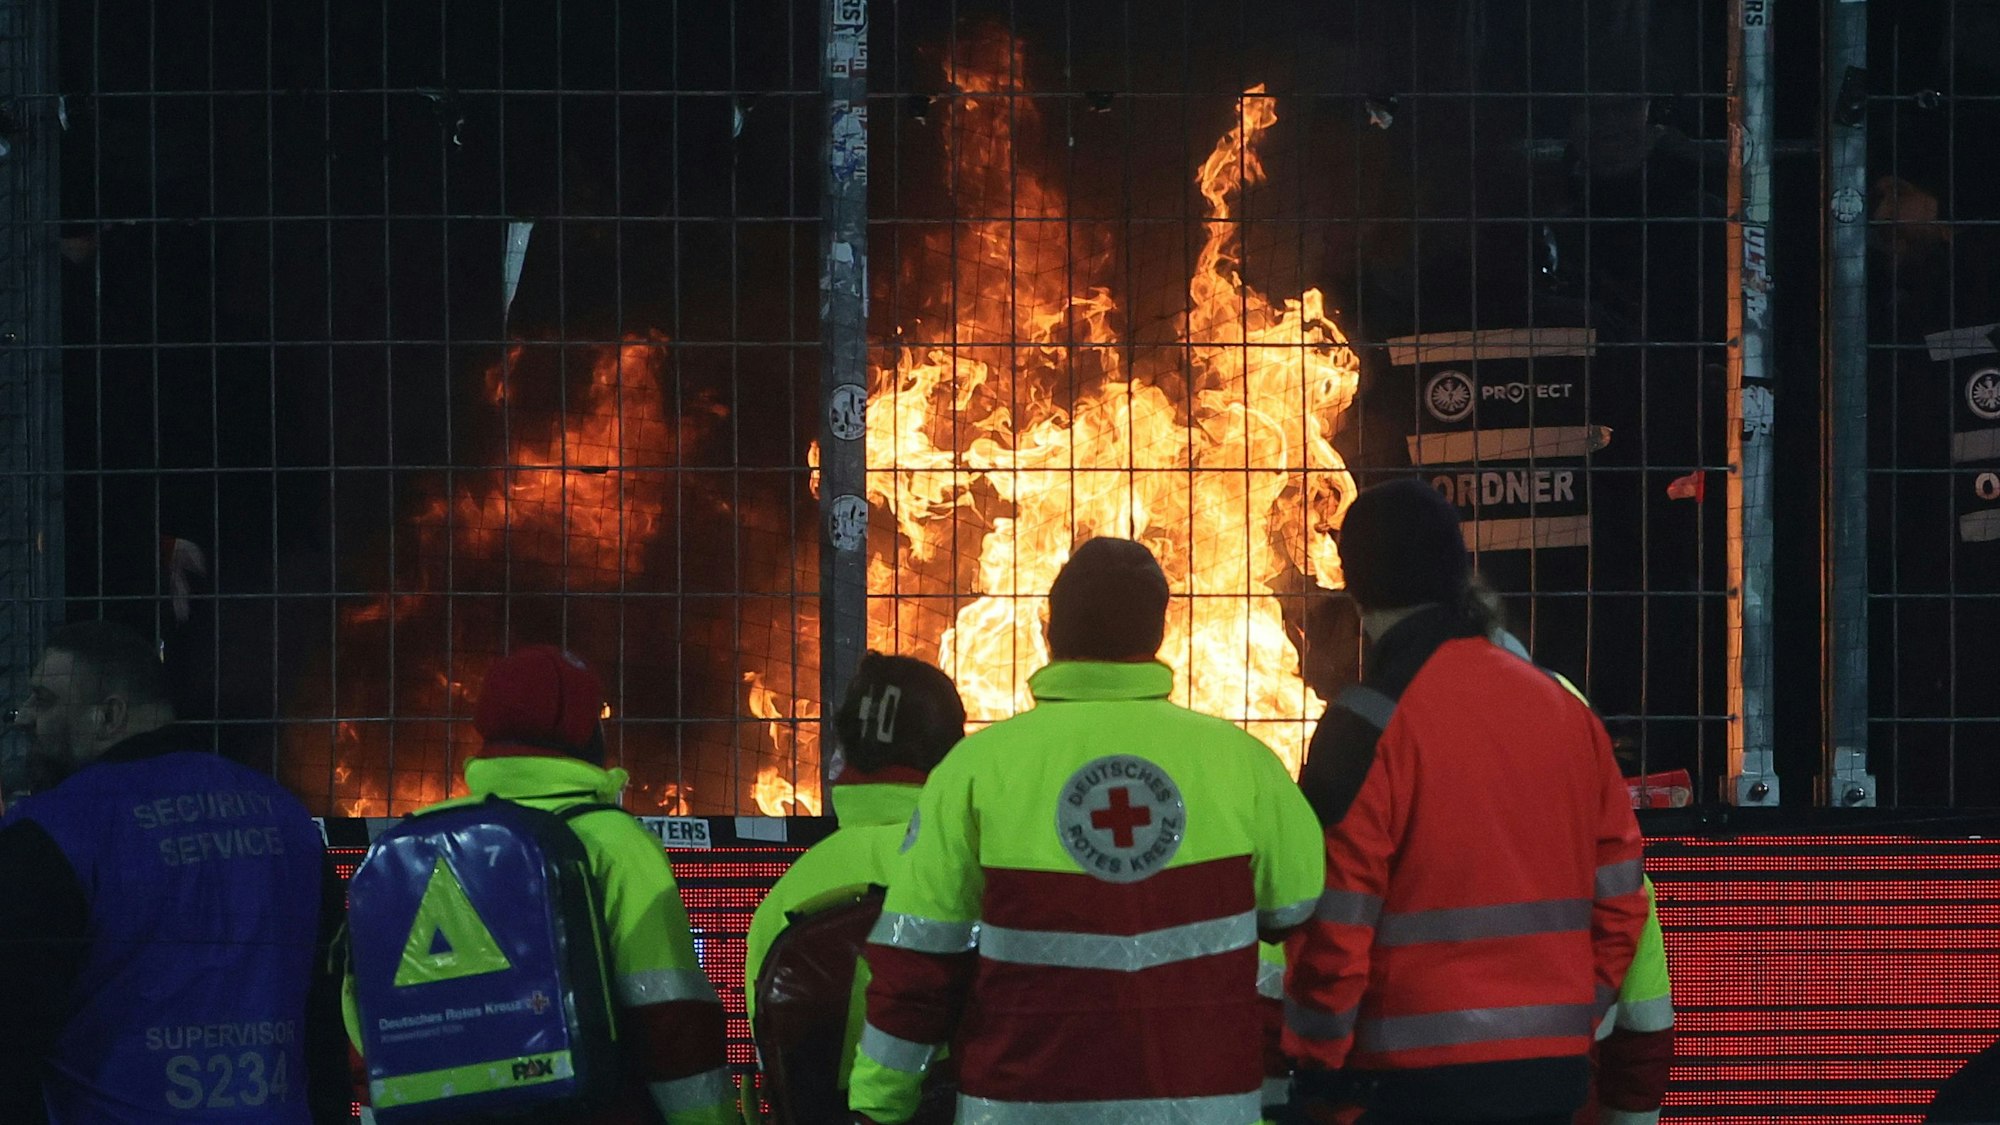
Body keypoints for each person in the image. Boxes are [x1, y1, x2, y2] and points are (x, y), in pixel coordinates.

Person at [849, 536, 1326, 1125]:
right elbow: (1305, 930)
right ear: (1159, 635)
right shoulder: (1246, 765)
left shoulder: (975, 770)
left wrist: (876, 1110)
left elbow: (917, 968)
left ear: (1049, 633)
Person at [1284, 479, 1648, 1125]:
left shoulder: (1367, 721)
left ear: (1353, 580)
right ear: (1458, 572)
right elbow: (1622, 894)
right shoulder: (1564, 710)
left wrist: (1315, 1063)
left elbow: (1336, 919)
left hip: (1407, 1088)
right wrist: (1574, 1013)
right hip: (1551, 1077)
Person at [341, 645, 734, 1124]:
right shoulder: (614, 841)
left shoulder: (406, 844)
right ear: (586, 731)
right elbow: (672, 1021)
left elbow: (363, 1023)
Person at [0, 619, 341, 1123]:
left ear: (108, 715)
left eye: (44, 700)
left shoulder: (54, 834)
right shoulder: (286, 820)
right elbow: (327, 1027)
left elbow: (12, 1040)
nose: (23, 717)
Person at [743, 652, 965, 1121]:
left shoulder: (784, 895)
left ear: (844, 755)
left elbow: (775, 1061)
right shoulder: (975, 866)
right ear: (951, 752)